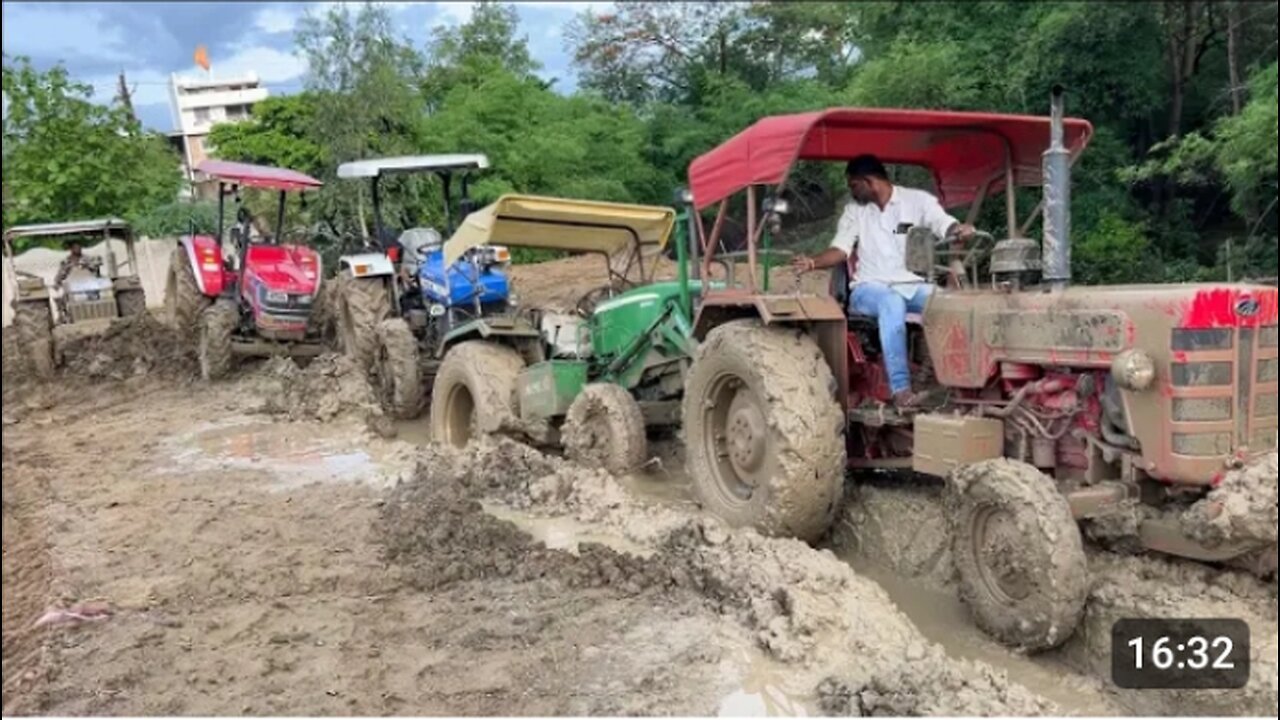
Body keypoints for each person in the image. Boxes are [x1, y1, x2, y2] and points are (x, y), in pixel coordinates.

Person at [791, 155, 976, 408]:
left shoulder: (916, 202)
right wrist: (812, 262)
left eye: (853, 185)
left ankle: (959, 382)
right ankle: (901, 390)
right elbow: (842, 249)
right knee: (892, 302)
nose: (851, 191)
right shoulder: (854, 212)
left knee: (954, 303)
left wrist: (957, 229)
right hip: (869, 289)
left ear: (868, 181)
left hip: (911, 285)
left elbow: (942, 223)